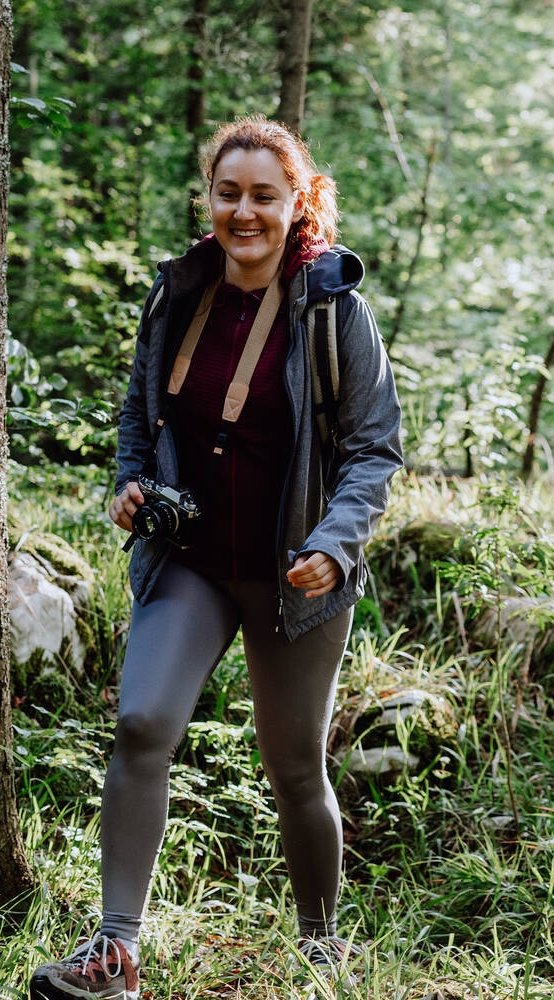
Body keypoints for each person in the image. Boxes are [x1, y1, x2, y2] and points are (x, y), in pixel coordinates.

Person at [31, 117, 403, 999]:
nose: (245, 212)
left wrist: (334, 543)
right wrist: (129, 483)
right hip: (190, 562)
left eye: (264, 196)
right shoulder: (177, 294)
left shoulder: (335, 309)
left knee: (294, 768)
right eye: (228, 193)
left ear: (298, 203)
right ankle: (115, 952)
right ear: (209, 199)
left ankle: (322, 945)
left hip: (294, 577)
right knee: (140, 724)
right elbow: (137, 413)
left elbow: (375, 450)